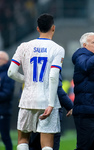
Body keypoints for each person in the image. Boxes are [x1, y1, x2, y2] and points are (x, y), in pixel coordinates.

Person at [7, 13, 65, 150]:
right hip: (47, 102)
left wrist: (26, 81)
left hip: (27, 100)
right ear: (53, 28)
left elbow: (11, 72)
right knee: (47, 144)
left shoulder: (24, 46)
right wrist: (51, 104)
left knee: (22, 140)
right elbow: (53, 76)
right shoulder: (57, 49)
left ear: (38, 28)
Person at [29, 73, 73, 150]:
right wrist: (69, 105)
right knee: (50, 146)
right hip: (51, 110)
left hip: (33, 107)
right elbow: (57, 88)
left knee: (33, 144)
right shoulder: (53, 65)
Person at [0, 51, 15, 150]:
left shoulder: (9, 73)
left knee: (5, 136)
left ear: (4, 60)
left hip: (3, 110)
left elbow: (7, 93)